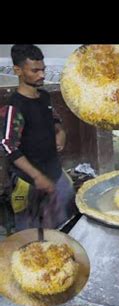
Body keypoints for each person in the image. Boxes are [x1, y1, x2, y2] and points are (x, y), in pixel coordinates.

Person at [0, 44, 76, 232]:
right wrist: (37, 177)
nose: (42, 75)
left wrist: (60, 131)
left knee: (65, 223)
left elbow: (54, 117)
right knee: (31, 234)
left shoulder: (44, 97)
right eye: (35, 70)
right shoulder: (15, 107)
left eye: (43, 69)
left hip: (55, 174)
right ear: (18, 70)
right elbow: (7, 145)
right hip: (28, 183)